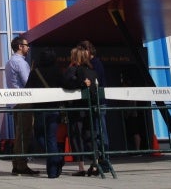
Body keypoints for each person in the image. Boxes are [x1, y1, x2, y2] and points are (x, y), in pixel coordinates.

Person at [25, 49, 64, 178]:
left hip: (39, 110)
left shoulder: (35, 72)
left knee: (39, 136)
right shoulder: (57, 71)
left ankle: (56, 159)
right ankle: (53, 169)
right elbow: (66, 85)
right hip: (54, 109)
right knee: (51, 138)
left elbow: (27, 90)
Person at [4, 36, 39, 176]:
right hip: (24, 101)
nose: (28, 47)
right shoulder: (21, 63)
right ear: (20, 46)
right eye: (26, 45)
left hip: (15, 101)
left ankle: (17, 164)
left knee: (19, 134)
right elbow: (27, 82)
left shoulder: (9, 62)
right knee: (24, 134)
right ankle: (21, 165)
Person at [62, 46, 97, 176]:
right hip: (90, 108)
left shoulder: (72, 69)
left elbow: (66, 83)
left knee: (77, 136)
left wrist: (80, 83)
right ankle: (95, 165)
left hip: (76, 109)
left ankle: (81, 167)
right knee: (90, 136)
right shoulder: (91, 70)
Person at [79, 40, 111, 172]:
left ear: (88, 50)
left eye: (83, 50)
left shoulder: (95, 64)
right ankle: (99, 161)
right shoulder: (92, 64)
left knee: (100, 132)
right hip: (96, 102)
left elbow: (95, 83)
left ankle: (104, 162)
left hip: (98, 102)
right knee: (96, 132)